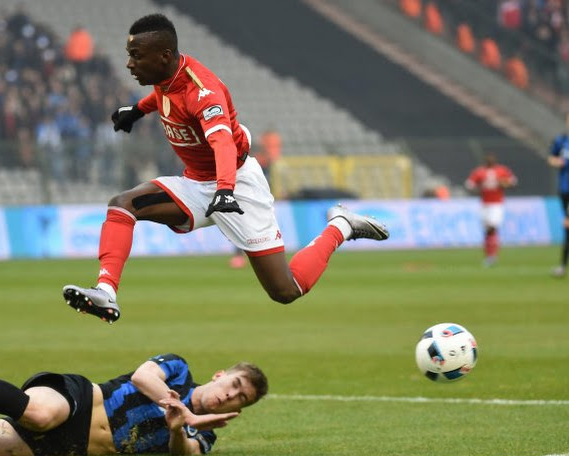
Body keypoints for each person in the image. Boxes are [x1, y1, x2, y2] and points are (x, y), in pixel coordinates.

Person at [62, 14, 389, 324]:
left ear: (163, 56)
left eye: (135, 55)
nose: (129, 63)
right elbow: (163, 95)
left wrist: (225, 189)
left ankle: (341, 226)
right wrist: (137, 110)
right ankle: (106, 292)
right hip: (197, 184)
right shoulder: (164, 75)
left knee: (285, 290)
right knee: (123, 204)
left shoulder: (203, 92)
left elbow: (222, 143)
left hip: (236, 185)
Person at [0, 353, 268, 456]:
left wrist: (177, 426)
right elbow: (142, 376)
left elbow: (183, 454)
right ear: (219, 375)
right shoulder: (179, 370)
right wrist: (175, 403)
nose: (230, 397)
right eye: (233, 386)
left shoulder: (205, 433)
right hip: (79, 402)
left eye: (240, 399)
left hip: (71, 446)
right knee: (39, 412)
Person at [465, 153, 517, 267]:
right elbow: (469, 184)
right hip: (485, 204)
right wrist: (479, 186)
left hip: (497, 204)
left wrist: (504, 184)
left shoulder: (502, 170)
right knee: (487, 230)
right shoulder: (479, 172)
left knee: (492, 228)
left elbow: (513, 181)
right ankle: (489, 255)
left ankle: (493, 256)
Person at [547, 113, 569, 278]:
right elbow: (551, 158)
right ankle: (562, 266)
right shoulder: (561, 141)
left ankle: (562, 266)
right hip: (566, 189)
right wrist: (557, 162)